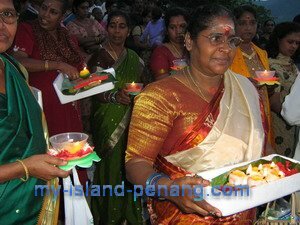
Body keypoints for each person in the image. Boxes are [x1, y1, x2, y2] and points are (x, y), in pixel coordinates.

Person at [125, 4, 267, 225]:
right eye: (215, 38)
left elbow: (264, 152)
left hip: (244, 211)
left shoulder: (247, 89)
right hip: (184, 215)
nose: (226, 49)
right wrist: (170, 189)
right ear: (190, 41)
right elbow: (136, 164)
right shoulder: (160, 96)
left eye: (231, 41)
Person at [0, 0, 69, 224]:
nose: (1, 25)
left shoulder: (14, 68)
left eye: (7, 14)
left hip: (32, 201)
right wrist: (26, 167)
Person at [87, 10, 145, 225]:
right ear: (106, 28)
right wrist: (113, 96)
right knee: (109, 166)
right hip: (105, 119)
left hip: (130, 118)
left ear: (128, 30)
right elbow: (90, 90)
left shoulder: (134, 58)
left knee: (128, 163)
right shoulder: (98, 57)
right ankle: (107, 217)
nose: (117, 30)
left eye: (122, 26)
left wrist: (136, 97)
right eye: (113, 25)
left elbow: (143, 85)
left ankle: (127, 215)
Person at [12, 0, 85, 137]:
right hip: (43, 107)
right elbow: (19, 61)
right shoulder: (27, 29)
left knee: (71, 150)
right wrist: (58, 65)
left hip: (70, 105)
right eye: (44, 8)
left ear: (62, 16)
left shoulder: (68, 37)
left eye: (53, 12)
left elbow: (79, 68)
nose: (45, 15)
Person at [230, 4, 274, 147]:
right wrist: (242, 82)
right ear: (234, 25)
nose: (248, 27)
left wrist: (272, 81)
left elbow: (267, 85)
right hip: (239, 113)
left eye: (252, 23)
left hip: (263, 112)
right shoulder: (227, 52)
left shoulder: (262, 53)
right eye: (242, 23)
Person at [266, 22, 300, 157]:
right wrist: (289, 116)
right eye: (290, 42)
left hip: (294, 121)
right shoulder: (270, 65)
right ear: (279, 39)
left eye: (297, 43)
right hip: (278, 121)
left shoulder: (293, 65)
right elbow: (273, 101)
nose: (294, 46)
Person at [150, 7, 189, 80]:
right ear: (167, 31)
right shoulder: (160, 52)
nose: (178, 31)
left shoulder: (193, 48)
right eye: (172, 27)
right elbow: (162, 83)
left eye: (182, 26)